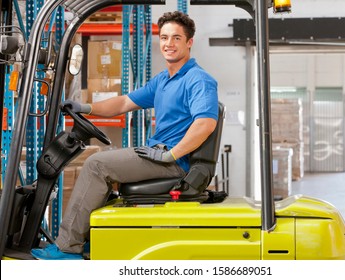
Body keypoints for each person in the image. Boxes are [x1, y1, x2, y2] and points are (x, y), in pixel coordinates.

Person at [31, 11, 219, 260]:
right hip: (160, 154)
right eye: (164, 37)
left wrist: (170, 155)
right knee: (105, 162)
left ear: (189, 42)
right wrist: (85, 108)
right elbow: (123, 103)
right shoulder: (165, 79)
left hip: (175, 162)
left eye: (176, 38)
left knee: (97, 164)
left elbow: (206, 124)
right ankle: (90, 238)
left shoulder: (198, 80)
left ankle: (67, 247)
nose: (168, 44)